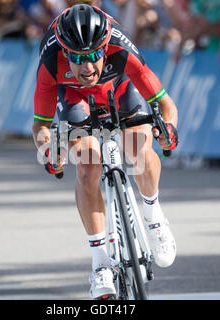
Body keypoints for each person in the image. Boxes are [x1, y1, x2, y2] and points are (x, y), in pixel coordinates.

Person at [31, 4, 178, 299]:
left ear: (105, 48)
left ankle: (153, 214)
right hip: (74, 98)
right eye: (78, 59)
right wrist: (50, 151)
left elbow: (165, 105)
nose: (87, 68)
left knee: (138, 148)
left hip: (119, 88)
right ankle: (100, 266)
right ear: (65, 53)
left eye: (94, 56)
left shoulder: (120, 47)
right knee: (87, 167)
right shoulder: (50, 61)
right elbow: (41, 127)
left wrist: (170, 130)